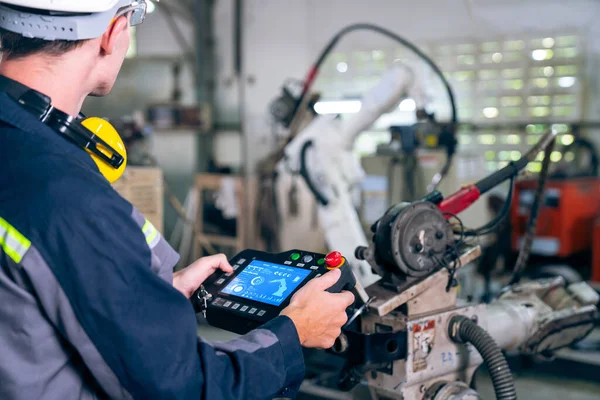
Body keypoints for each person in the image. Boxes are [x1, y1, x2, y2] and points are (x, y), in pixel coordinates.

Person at [0, 1, 354, 399]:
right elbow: (187, 387)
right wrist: (294, 333)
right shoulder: (69, 197)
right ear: (113, 31)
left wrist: (150, 293)